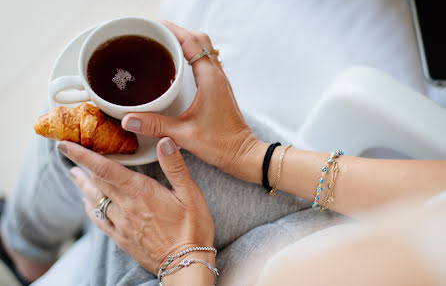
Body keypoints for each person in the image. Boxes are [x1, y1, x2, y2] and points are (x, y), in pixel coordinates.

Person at [2, 20, 446, 285]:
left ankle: (25, 251)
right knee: (85, 118)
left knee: (75, 147)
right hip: (310, 224)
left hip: (189, 272)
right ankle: (27, 248)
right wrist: (255, 156)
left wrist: (179, 259)